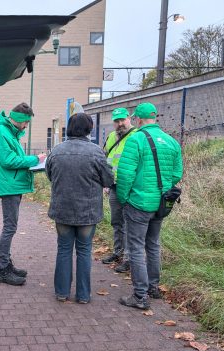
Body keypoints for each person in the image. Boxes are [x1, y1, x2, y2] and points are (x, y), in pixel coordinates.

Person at [116, 103, 183, 310]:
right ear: (155, 118)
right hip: (161, 204)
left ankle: (140, 295)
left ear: (138, 119)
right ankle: (153, 287)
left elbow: (126, 174)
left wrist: (123, 198)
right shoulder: (172, 141)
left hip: (139, 202)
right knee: (153, 244)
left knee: (135, 247)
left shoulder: (135, 139)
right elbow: (176, 174)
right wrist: (161, 190)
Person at [46, 113, 114, 303]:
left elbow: (50, 175)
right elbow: (108, 179)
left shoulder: (56, 151)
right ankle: (83, 295)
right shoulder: (96, 152)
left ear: (69, 128)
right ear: (89, 129)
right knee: (84, 251)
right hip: (88, 210)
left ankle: (61, 292)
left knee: (64, 249)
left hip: (62, 209)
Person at [0, 102, 46, 286]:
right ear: (20, 120)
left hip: (12, 184)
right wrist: (35, 159)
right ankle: (3, 270)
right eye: (26, 122)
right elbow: (8, 160)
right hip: (9, 186)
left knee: (10, 227)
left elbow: (12, 158)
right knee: (9, 228)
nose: (26, 126)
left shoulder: (8, 132)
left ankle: (6, 264)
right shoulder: (1, 132)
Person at [100, 107, 138, 273]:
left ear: (129, 119)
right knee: (116, 222)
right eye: (117, 121)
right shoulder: (110, 137)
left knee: (130, 223)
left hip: (131, 187)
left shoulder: (136, 136)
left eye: (123, 119)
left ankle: (129, 259)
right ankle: (118, 252)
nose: (120, 123)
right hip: (114, 187)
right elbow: (104, 159)